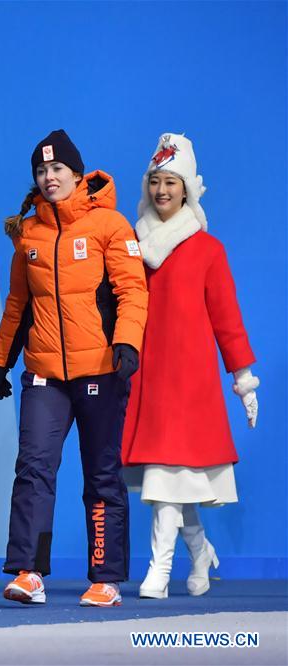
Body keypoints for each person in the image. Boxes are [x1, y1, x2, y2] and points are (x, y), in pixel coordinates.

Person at [0, 130, 148, 607]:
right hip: (44, 374)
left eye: (57, 169)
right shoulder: (29, 233)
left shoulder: (111, 226)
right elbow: (18, 304)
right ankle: (29, 571)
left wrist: (127, 343)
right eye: (41, 171)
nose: (48, 177)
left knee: (101, 474)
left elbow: (132, 291)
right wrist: (1, 361)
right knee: (33, 469)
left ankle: (105, 578)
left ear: (78, 175)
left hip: (100, 368)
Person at [121, 133, 258, 599]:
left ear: (187, 190)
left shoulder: (208, 250)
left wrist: (244, 379)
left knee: (168, 481)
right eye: (155, 182)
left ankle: (159, 570)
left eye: (171, 183)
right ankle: (199, 552)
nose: (162, 191)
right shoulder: (131, 247)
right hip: (147, 381)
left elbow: (228, 320)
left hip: (190, 384)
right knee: (172, 480)